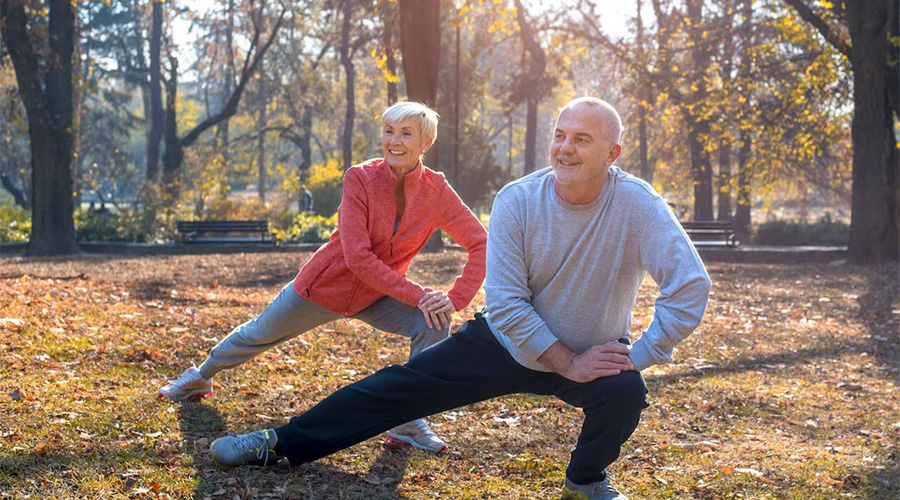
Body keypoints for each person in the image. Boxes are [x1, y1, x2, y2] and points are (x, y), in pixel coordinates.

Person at [207, 97, 711, 500]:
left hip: (593, 352)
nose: (565, 148)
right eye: (559, 135)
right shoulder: (518, 199)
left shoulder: (637, 204)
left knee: (625, 395)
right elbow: (509, 303)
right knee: (395, 388)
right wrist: (566, 361)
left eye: (582, 139)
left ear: (612, 154)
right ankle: (278, 443)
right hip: (505, 342)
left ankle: (586, 479)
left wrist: (636, 357)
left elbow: (689, 285)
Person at [158, 101, 487, 453]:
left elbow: (481, 243)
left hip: (377, 296)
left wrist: (453, 298)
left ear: (425, 143)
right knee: (258, 333)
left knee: (434, 321)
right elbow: (358, 257)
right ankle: (200, 376)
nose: (394, 140)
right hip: (324, 288)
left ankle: (406, 418)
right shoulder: (360, 178)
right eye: (389, 131)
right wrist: (418, 293)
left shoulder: (436, 191)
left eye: (406, 133)